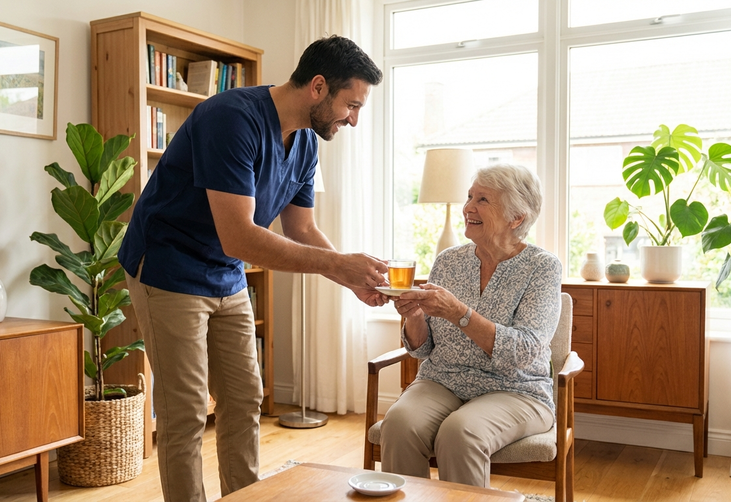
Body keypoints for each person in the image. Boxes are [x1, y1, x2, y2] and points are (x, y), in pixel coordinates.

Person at [118, 35, 386, 502]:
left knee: (244, 399)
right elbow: (239, 236)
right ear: (318, 87)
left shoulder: (306, 143)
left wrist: (350, 277)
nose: (353, 119)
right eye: (352, 105)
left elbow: (301, 228)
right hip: (168, 266)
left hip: (225, 272)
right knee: (185, 412)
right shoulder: (231, 118)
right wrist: (338, 265)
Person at [380, 163, 561, 488]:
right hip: (443, 380)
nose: (468, 208)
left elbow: (523, 351)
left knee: (460, 432)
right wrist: (414, 317)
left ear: (516, 218)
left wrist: (460, 313)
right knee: (399, 424)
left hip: (516, 390)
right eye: (469, 197)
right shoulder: (448, 261)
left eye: (483, 200)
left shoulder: (542, 268)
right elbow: (423, 348)